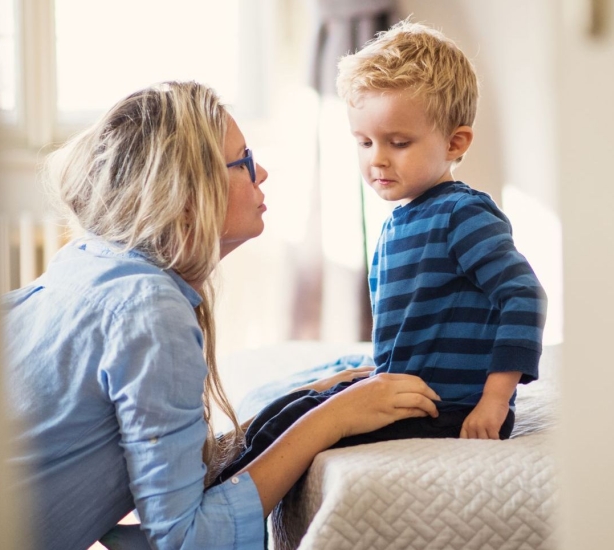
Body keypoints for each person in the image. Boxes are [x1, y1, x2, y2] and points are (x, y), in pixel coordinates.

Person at [2, 81, 441, 550]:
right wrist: (331, 419)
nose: (263, 173)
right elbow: (188, 540)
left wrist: (302, 404)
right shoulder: (149, 308)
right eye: (244, 162)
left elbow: (170, 477)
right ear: (187, 197)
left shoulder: (87, 263)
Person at [212, 21, 547, 482]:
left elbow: (524, 296)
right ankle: (202, 491)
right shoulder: (402, 220)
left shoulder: (461, 214)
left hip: (447, 408)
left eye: (399, 143)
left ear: (455, 143)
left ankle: (211, 508)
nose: (377, 159)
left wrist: (494, 400)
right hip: (410, 393)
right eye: (365, 142)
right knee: (291, 408)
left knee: (301, 429)